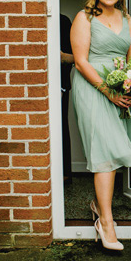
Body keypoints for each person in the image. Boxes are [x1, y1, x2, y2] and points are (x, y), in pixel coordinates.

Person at [70, 0, 131, 251]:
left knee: (111, 150)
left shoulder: (126, 18)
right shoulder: (84, 17)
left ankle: (98, 208)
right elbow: (81, 62)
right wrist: (108, 91)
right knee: (105, 153)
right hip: (92, 87)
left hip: (118, 87)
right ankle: (107, 223)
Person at [60, 14, 74, 185]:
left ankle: (65, 173)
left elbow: (70, 56)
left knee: (62, 127)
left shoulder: (63, 21)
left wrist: (62, 87)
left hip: (61, 85)